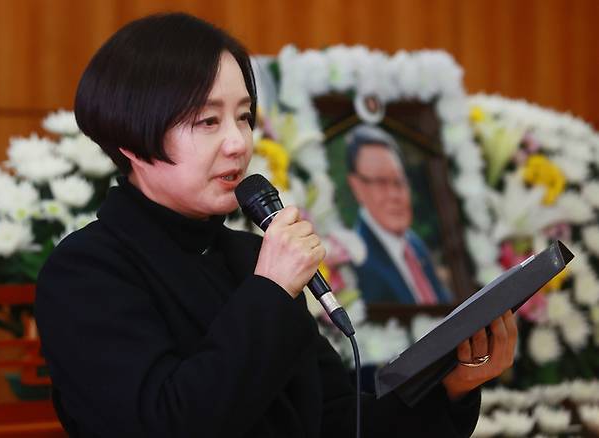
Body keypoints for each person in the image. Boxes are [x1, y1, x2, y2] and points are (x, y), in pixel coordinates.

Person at [35, 13, 518, 437]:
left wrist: (450, 387)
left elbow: (332, 421)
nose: (237, 144)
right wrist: (269, 291)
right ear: (130, 139)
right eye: (207, 121)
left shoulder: (247, 257)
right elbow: (168, 422)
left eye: (244, 117)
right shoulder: (86, 270)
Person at [346, 124, 452, 304]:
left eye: (399, 181)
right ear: (357, 186)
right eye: (380, 182)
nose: (394, 194)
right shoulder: (356, 261)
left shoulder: (415, 245)